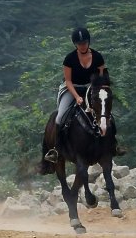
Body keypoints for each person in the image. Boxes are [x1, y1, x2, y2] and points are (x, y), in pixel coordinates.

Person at [44, 27, 107, 163]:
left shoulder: (98, 57)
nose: (82, 46)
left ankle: (113, 145)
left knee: (106, 114)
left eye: (84, 43)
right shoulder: (69, 59)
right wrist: (77, 97)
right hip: (72, 89)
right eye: (79, 44)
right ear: (75, 44)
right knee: (60, 117)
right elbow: (68, 81)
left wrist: (99, 92)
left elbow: (102, 79)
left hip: (91, 89)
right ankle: (55, 149)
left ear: (88, 42)